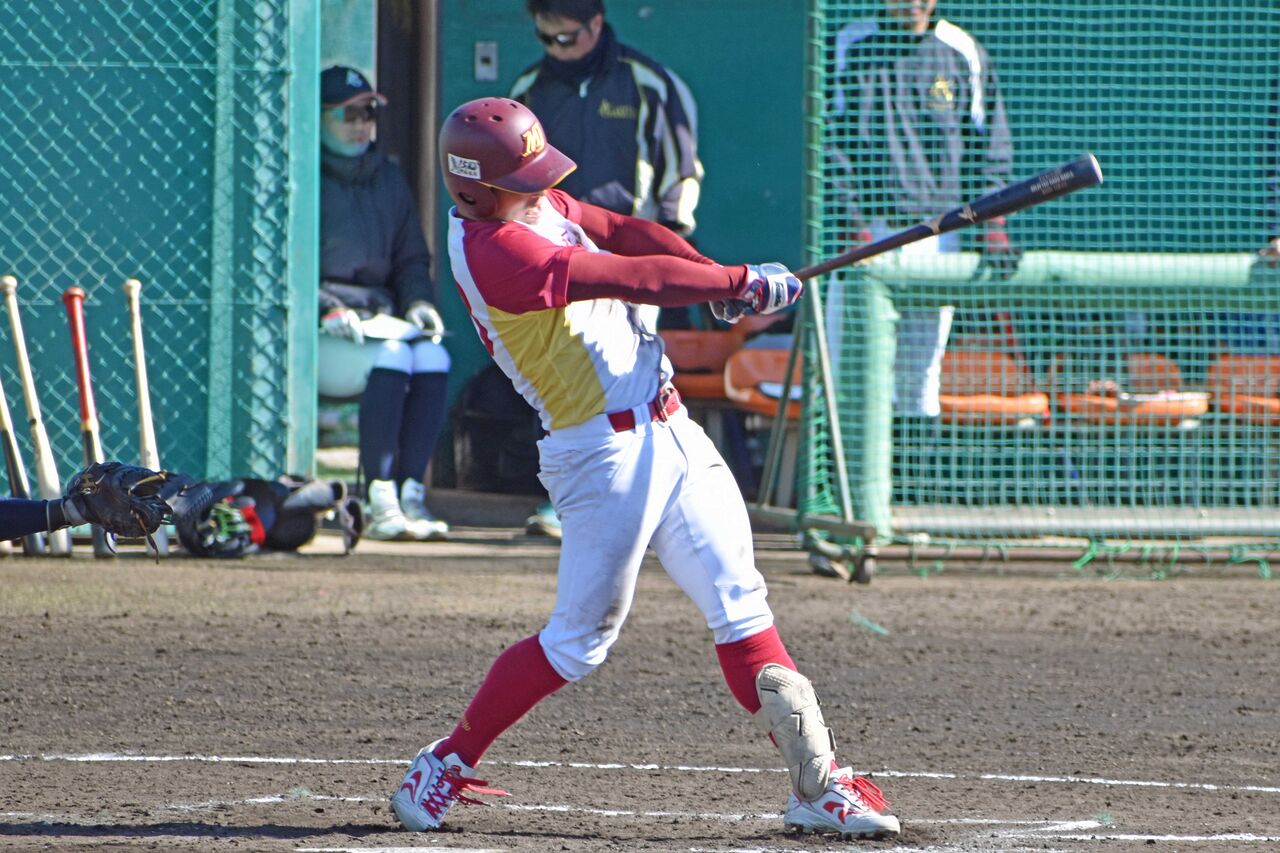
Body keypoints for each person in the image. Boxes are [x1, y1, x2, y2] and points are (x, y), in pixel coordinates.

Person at [387, 97, 900, 841]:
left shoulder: (536, 206)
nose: (542, 187)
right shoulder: (496, 252)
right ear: (477, 190)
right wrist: (735, 283)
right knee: (578, 641)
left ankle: (816, 786)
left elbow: (628, 231)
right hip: (599, 457)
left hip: (671, 428)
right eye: (523, 181)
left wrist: (713, 274)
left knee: (740, 604)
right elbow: (630, 277)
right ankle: (445, 762)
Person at [510, 0, 704, 538]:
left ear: (596, 23)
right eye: (545, 38)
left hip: (629, 264)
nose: (556, 50)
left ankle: (643, 499)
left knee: (631, 379)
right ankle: (568, 501)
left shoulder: (648, 83)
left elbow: (681, 173)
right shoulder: (528, 90)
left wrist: (666, 252)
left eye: (566, 38)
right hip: (554, 258)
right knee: (559, 377)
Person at [826, 0, 1019, 421]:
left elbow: (992, 150)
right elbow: (832, 142)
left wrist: (994, 227)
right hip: (868, 238)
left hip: (939, 238)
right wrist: (852, 226)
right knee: (847, 372)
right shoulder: (851, 43)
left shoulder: (962, 49)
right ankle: (847, 467)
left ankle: (910, 466)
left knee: (920, 378)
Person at [317, 65, 450, 541]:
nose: (361, 125)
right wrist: (325, 306)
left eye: (369, 113)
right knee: (394, 355)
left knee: (433, 356)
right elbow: (285, 268)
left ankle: (410, 492)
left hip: (377, 321)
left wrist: (418, 303)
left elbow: (411, 259)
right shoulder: (301, 176)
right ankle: (379, 497)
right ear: (319, 117)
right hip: (321, 332)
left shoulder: (388, 178)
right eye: (348, 114)